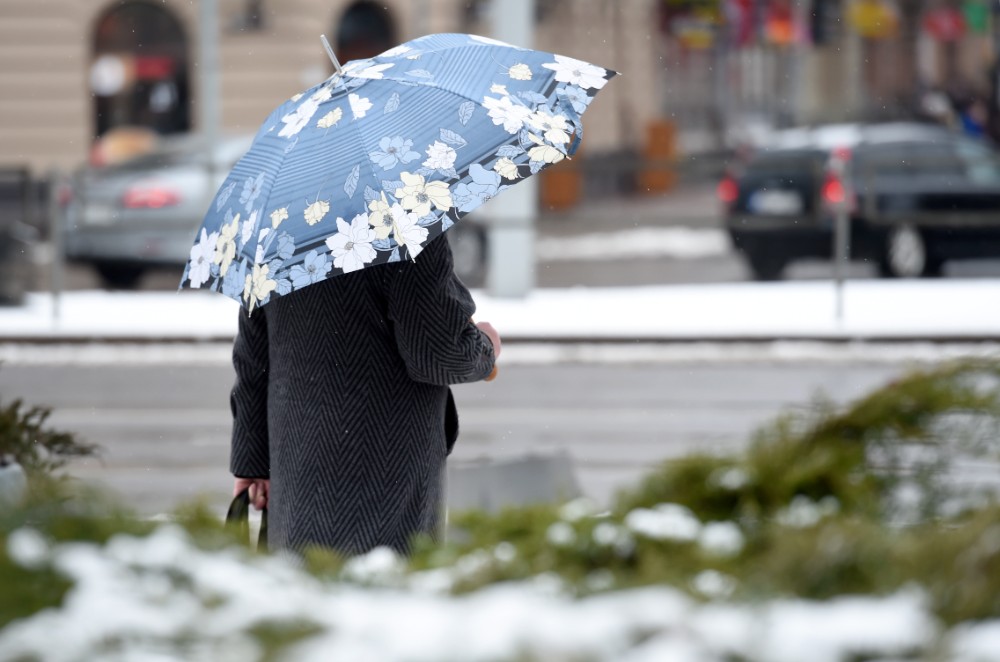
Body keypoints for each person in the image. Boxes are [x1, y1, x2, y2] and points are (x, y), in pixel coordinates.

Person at [229, 233, 500, 556]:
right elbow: (437, 354)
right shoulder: (402, 222)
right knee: (380, 590)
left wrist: (253, 462)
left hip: (294, 464)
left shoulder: (278, 229)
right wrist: (485, 347)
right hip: (385, 469)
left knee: (307, 584)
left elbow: (253, 358)